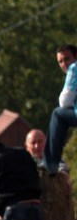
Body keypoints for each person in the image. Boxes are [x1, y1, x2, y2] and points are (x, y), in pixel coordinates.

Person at [44, 44, 77, 175]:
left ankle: (51, 164)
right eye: (60, 61)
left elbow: (64, 101)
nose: (64, 64)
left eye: (67, 59)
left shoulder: (74, 68)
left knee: (58, 114)